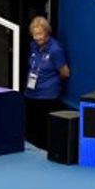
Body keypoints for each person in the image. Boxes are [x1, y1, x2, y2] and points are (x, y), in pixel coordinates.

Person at [23, 16, 70, 147]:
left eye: (40, 34)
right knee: (31, 126)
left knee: (43, 127)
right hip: (31, 92)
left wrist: (50, 82)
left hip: (47, 96)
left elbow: (65, 73)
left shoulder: (56, 49)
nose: (37, 37)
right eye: (34, 34)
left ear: (46, 32)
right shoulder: (33, 46)